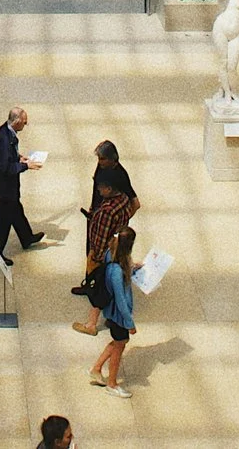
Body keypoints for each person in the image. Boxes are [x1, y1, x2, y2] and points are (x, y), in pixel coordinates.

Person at [70, 142, 140, 336]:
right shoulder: (120, 200)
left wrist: (98, 254)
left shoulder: (108, 210)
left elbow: (100, 240)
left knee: (102, 286)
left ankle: (92, 324)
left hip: (107, 249)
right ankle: (93, 291)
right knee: (106, 284)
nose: (99, 163)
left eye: (102, 159)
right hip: (114, 244)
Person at [0, 105, 43, 266]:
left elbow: (9, 157)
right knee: (3, 222)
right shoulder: (5, 139)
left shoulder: (6, 131)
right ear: (16, 121)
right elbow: (5, 167)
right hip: (5, 188)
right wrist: (26, 166)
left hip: (7, 187)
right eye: (24, 122)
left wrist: (19, 158)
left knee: (17, 211)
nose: (25, 125)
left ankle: (26, 237)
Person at [87, 225, 139, 398]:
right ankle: (112, 383)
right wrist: (130, 323)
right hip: (119, 317)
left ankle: (96, 368)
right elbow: (121, 300)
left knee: (117, 342)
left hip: (112, 314)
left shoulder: (111, 256)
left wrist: (132, 268)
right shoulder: (116, 272)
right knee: (119, 346)